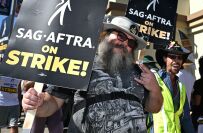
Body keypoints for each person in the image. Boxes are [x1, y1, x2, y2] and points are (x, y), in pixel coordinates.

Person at [22, 16, 163, 132]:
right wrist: (37, 104)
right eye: (120, 36)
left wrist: (155, 89)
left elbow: (154, 108)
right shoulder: (80, 63)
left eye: (131, 42)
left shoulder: (140, 73)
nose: (125, 43)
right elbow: (52, 103)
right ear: (106, 34)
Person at [149, 41, 195, 133]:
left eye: (179, 58)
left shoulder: (181, 87)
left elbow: (186, 119)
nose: (176, 61)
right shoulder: (154, 80)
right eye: (172, 57)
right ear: (165, 58)